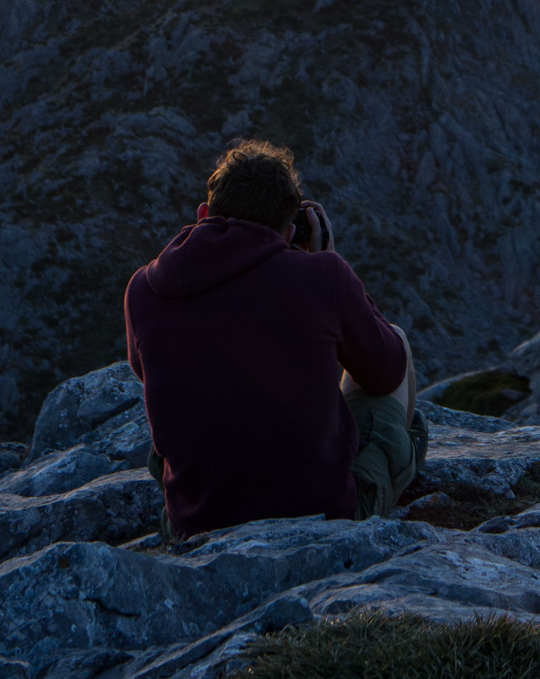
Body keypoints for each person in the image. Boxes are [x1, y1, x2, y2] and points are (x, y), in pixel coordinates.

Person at [125, 139, 426, 538]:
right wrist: (327, 265)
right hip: (323, 519)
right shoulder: (322, 279)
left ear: (203, 214)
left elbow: (150, 374)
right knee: (398, 341)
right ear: (289, 230)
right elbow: (386, 373)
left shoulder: (144, 289)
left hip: (195, 526)